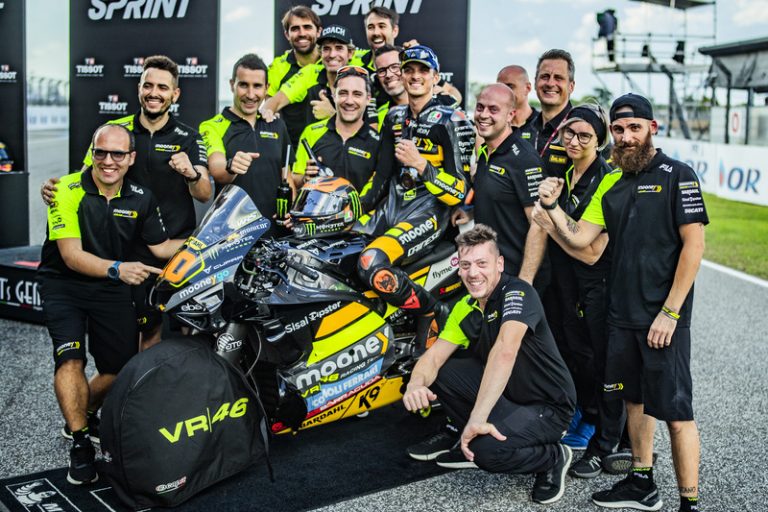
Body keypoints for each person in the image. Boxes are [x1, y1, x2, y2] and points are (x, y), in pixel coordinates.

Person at [537, 93, 707, 512]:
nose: (626, 136)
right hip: (621, 315)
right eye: (618, 129)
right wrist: (552, 206)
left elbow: (694, 246)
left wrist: (670, 312)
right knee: (634, 400)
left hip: (663, 318)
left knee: (676, 412)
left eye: (634, 127)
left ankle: (690, 503)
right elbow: (580, 236)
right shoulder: (611, 182)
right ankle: (641, 482)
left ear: (652, 128)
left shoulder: (677, 175)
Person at [38, 124, 184, 485]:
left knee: (120, 366)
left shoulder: (141, 197)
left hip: (109, 287)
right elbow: (71, 256)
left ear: (130, 158)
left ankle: (83, 411)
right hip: (64, 285)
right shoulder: (65, 190)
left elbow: (160, 247)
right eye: (100, 152)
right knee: (70, 358)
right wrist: (119, 268)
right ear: (91, 153)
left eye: (118, 154)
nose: (108, 161)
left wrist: (209, 239)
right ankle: (79, 442)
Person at [42, 55, 211, 350]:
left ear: (175, 94)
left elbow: (204, 193)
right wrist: (55, 190)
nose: (154, 93)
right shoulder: (115, 132)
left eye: (162, 87)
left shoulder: (189, 137)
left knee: (182, 333)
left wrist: (192, 173)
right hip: (126, 249)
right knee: (133, 336)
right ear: (139, 88)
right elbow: (84, 179)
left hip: (171, 248)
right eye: (148, 85)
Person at [402, 224, 576, 505]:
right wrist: (415, 384)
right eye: (466, 265)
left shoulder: (518, 293)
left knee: (488, 454)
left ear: (499, 264)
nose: (473, 273)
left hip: (548, 407)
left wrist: (477, 418)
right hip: (509, 396)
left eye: (482, 263)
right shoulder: (465, 306)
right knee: (440, 372)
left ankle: (553, 456)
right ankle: (472, 437)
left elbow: (505, 350)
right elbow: (432, 358)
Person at [531, 103, 625, 478]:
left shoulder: (608, 179)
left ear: (599, 141)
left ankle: (606, 441)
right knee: (572, 354)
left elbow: (591, 252)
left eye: (585, 135)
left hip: (599, 286)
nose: (574, 140)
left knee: (602, 364)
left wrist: (551, 220)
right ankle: (583, 416)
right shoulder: (565, 174)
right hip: (568, 287)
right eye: (569, 132)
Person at [355, 45, 474, 342]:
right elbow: (381, 177)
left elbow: (459, 191)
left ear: (435, 77)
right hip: (392, 209)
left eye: (423, 70)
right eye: (409, 69)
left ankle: (432, 311)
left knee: (370, 262)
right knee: (337, 244)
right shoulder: (394, 116)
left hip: (429, 214)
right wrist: (351, 208)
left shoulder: (452, 119)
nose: (415, 75)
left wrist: (421, 165)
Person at [453, 84, 548, 293]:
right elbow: (502, 198)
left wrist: (525, 281)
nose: (483, 115)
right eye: (480, 107)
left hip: (517, 277)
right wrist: (470, 212)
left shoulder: (524, 159)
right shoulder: (486, 151)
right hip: (492, 273)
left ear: (510, 115)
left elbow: (540, 225)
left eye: (493, 109)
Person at [199, 53, 291, 236]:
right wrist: (231, 165)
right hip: (232, 235)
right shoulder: (212, 126)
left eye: (257, 86)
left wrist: (291, 212)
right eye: (243, 85)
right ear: (232, 84)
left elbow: (286, 175)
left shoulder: (277, 125)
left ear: (267, 88)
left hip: (276, 235)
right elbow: (217, 169)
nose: (250, 94)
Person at [262, 25, 375, 132]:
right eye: (326, 49)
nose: (332, 54)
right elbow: (275, 101)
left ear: (350, 53)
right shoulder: (310, 73)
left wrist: (332, 115)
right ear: (320, 53)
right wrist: (267, 113)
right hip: (315, 143)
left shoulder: (362, 78)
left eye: (339, 48)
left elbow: (371, 134)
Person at [291, 65, 379, 194]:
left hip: (359, 208)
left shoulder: (377, 142)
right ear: (333, 95)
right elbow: (294, 179)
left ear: (368, 99)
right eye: (343, 93)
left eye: (357, 94)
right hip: (315, 207)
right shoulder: (311, 132)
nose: (349, 101)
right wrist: (305, 178)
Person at [268, 5, 323, 146]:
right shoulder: (277, 67)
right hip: (291, 149)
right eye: (295, 29)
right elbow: (268, 107)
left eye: (307, 27)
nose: (302, 33)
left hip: (329, 146)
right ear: (287, 35)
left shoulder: (332, 61)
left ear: (318, 31)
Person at [373, 44, 459, 130]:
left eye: (394, 67)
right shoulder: (385, 113)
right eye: (381, 71)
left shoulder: (444, 101)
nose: (388, 75)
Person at [531, 49, 575, 163]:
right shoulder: (525, 130)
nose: (550, 83)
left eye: (558, 77)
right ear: (535, 83)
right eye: (545, 76)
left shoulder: (585, 132)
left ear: (571, 86)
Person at [496, 65, 538, 137]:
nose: (504, 92)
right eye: (500, 87)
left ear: (527, 88)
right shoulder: (494, 125)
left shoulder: (543, 124)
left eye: (510, 86)